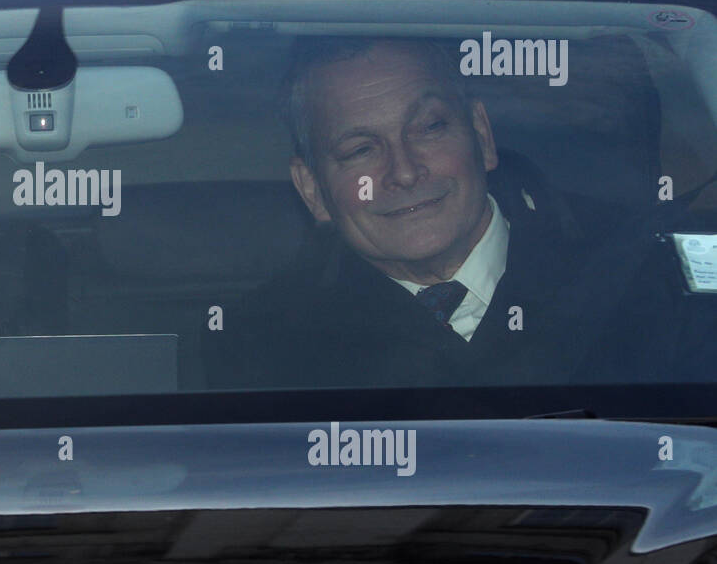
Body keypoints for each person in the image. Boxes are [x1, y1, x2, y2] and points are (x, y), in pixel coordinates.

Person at [205, 37, 714, 391]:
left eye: (428, 127)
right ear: (312, 189)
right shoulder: (264, 346)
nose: (404, 172)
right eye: (361, 150)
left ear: (483, 136)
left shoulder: (657, 277)